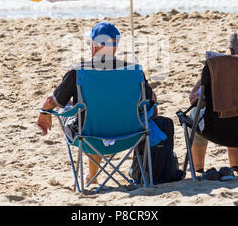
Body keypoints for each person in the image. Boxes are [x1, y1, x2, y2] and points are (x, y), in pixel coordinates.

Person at [36, 21, 158, 185]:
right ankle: (91, 176)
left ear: (94, 45)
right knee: (95, 113)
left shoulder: (79, 71)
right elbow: (152, 100)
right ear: (115, 46)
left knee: (76, 110)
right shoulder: (134, 71)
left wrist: (44, 112)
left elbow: (52, 101)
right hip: (131, 134)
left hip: (88, 136)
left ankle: (91, 177)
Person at [188, 28, 238, 176]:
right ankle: (237, 166)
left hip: (218, 129)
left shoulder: (217, 70)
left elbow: (194, 99)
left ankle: (198, 168)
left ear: (231, 52)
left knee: (196, 113)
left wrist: (205, 76)